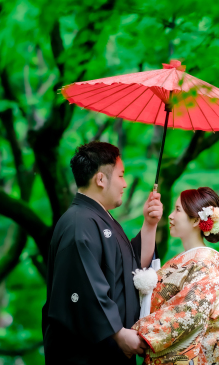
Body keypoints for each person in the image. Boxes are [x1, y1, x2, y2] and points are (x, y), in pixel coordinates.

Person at [42, 141, 163, 364]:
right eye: (121, 176)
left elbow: (132, 270)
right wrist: (119, 332)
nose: (125, 184)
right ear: (100, 179)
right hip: (86, 356)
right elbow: (85, 287)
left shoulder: (99, 219)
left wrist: (149, 224)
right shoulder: (79, 223)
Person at [132, 187, 219, 365]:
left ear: (196, 220)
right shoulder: (187, 262)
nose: (170, 216)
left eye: (177, 210)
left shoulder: (204, 265)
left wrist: (137, 334)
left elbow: (188, 313)